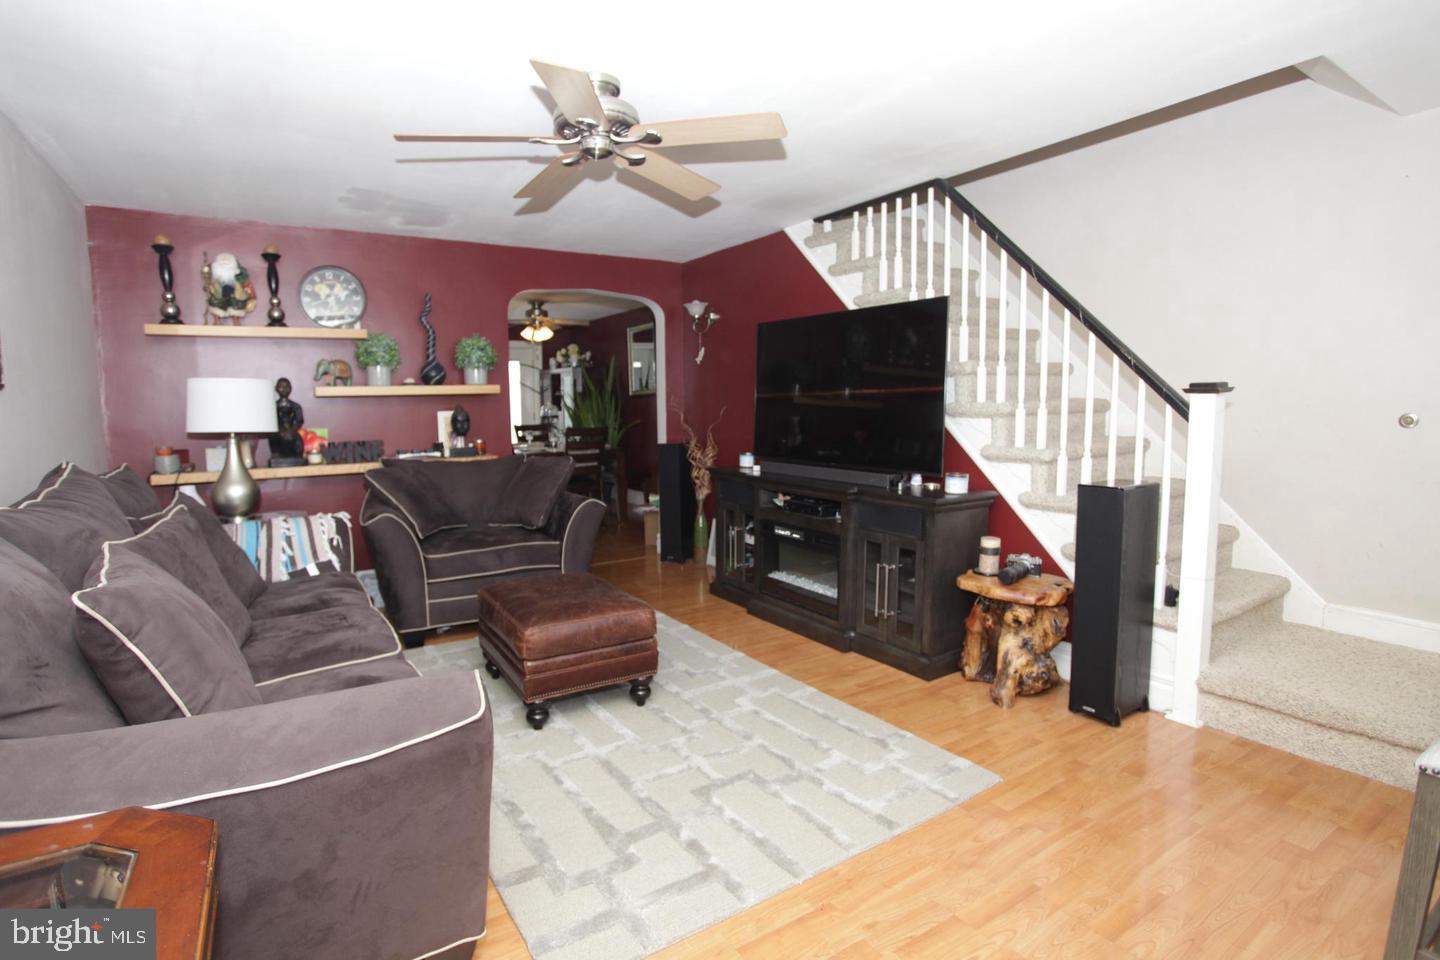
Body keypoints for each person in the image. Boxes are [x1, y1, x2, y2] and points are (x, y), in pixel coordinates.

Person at [269, 377, 306, 465]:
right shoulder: (272, 406)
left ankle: (296, 454)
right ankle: (276, 454)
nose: (284, 389)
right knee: (273, 436)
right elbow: (271, 421)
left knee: (296, 440)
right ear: (276, 388)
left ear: (290, 388)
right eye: (281, 387)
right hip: (278, 431)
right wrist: (280, 430)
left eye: (286, 387)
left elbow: (299, 420)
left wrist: (292, 430)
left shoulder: (296, 406)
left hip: (291, 430)